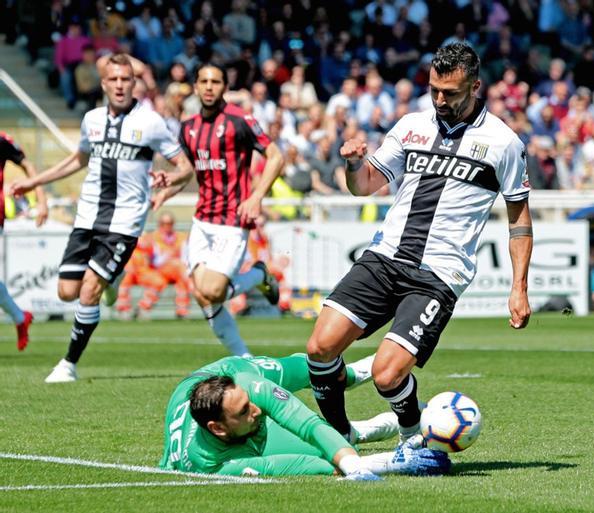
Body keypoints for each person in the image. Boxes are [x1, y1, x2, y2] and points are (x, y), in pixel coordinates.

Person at [305, 43, 533, 443]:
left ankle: (412, 437)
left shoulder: (504, 143)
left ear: (475, 86)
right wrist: (354, 164)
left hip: (438, 273)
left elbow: (519, 217)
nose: (440, 100)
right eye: (434, 91)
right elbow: (365, 186)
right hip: (385, 256)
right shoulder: (411, 125)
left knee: (388, 374)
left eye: (451, 93)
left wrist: (519, 288)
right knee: (320, 348)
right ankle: (340, 436)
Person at [10, 53, 193, 382]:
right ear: (104, 83)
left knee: (88, 291)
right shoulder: (91, 119)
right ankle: (115, 279)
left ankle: (68, 364)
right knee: (67, 292)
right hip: (87, 217)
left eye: (126, 79)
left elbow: (185, 167)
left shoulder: (151, 122)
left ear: (134, 83)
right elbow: (77, 159)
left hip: (124, 222)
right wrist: (34, 182)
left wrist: (171, 181)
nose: (120, 85)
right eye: (114, 80)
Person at [153, 62, 284, 358]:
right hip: (202, 221)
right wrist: (169, 186)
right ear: (196, 87)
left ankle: (259, 275)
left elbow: (276, 157)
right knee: (203, 296)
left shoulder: (241, 120)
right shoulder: (188, 128)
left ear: (225, 87)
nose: (209, 87)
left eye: (215, 82)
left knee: (212, 291)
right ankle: (244, 359)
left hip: (232, 220)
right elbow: (187, 172)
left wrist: (257, 196)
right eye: (204, 81)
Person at [160, 353, 450, 479]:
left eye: (251, 403)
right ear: (218, 429)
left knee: (321, 372)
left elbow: (305, 421)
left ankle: (359, 370)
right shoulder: (209, 466)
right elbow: (301, 464)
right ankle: (362, 430)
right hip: (233, 440)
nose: (256, 409)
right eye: (244, 412)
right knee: (332, 451)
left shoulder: (246, 385)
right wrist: (387, 463)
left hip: (224, 372)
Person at [0, 132, 48, 351]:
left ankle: (20, 318)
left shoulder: (2, 140)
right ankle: (20, 317)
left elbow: (28, 166)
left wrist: (41, 200)